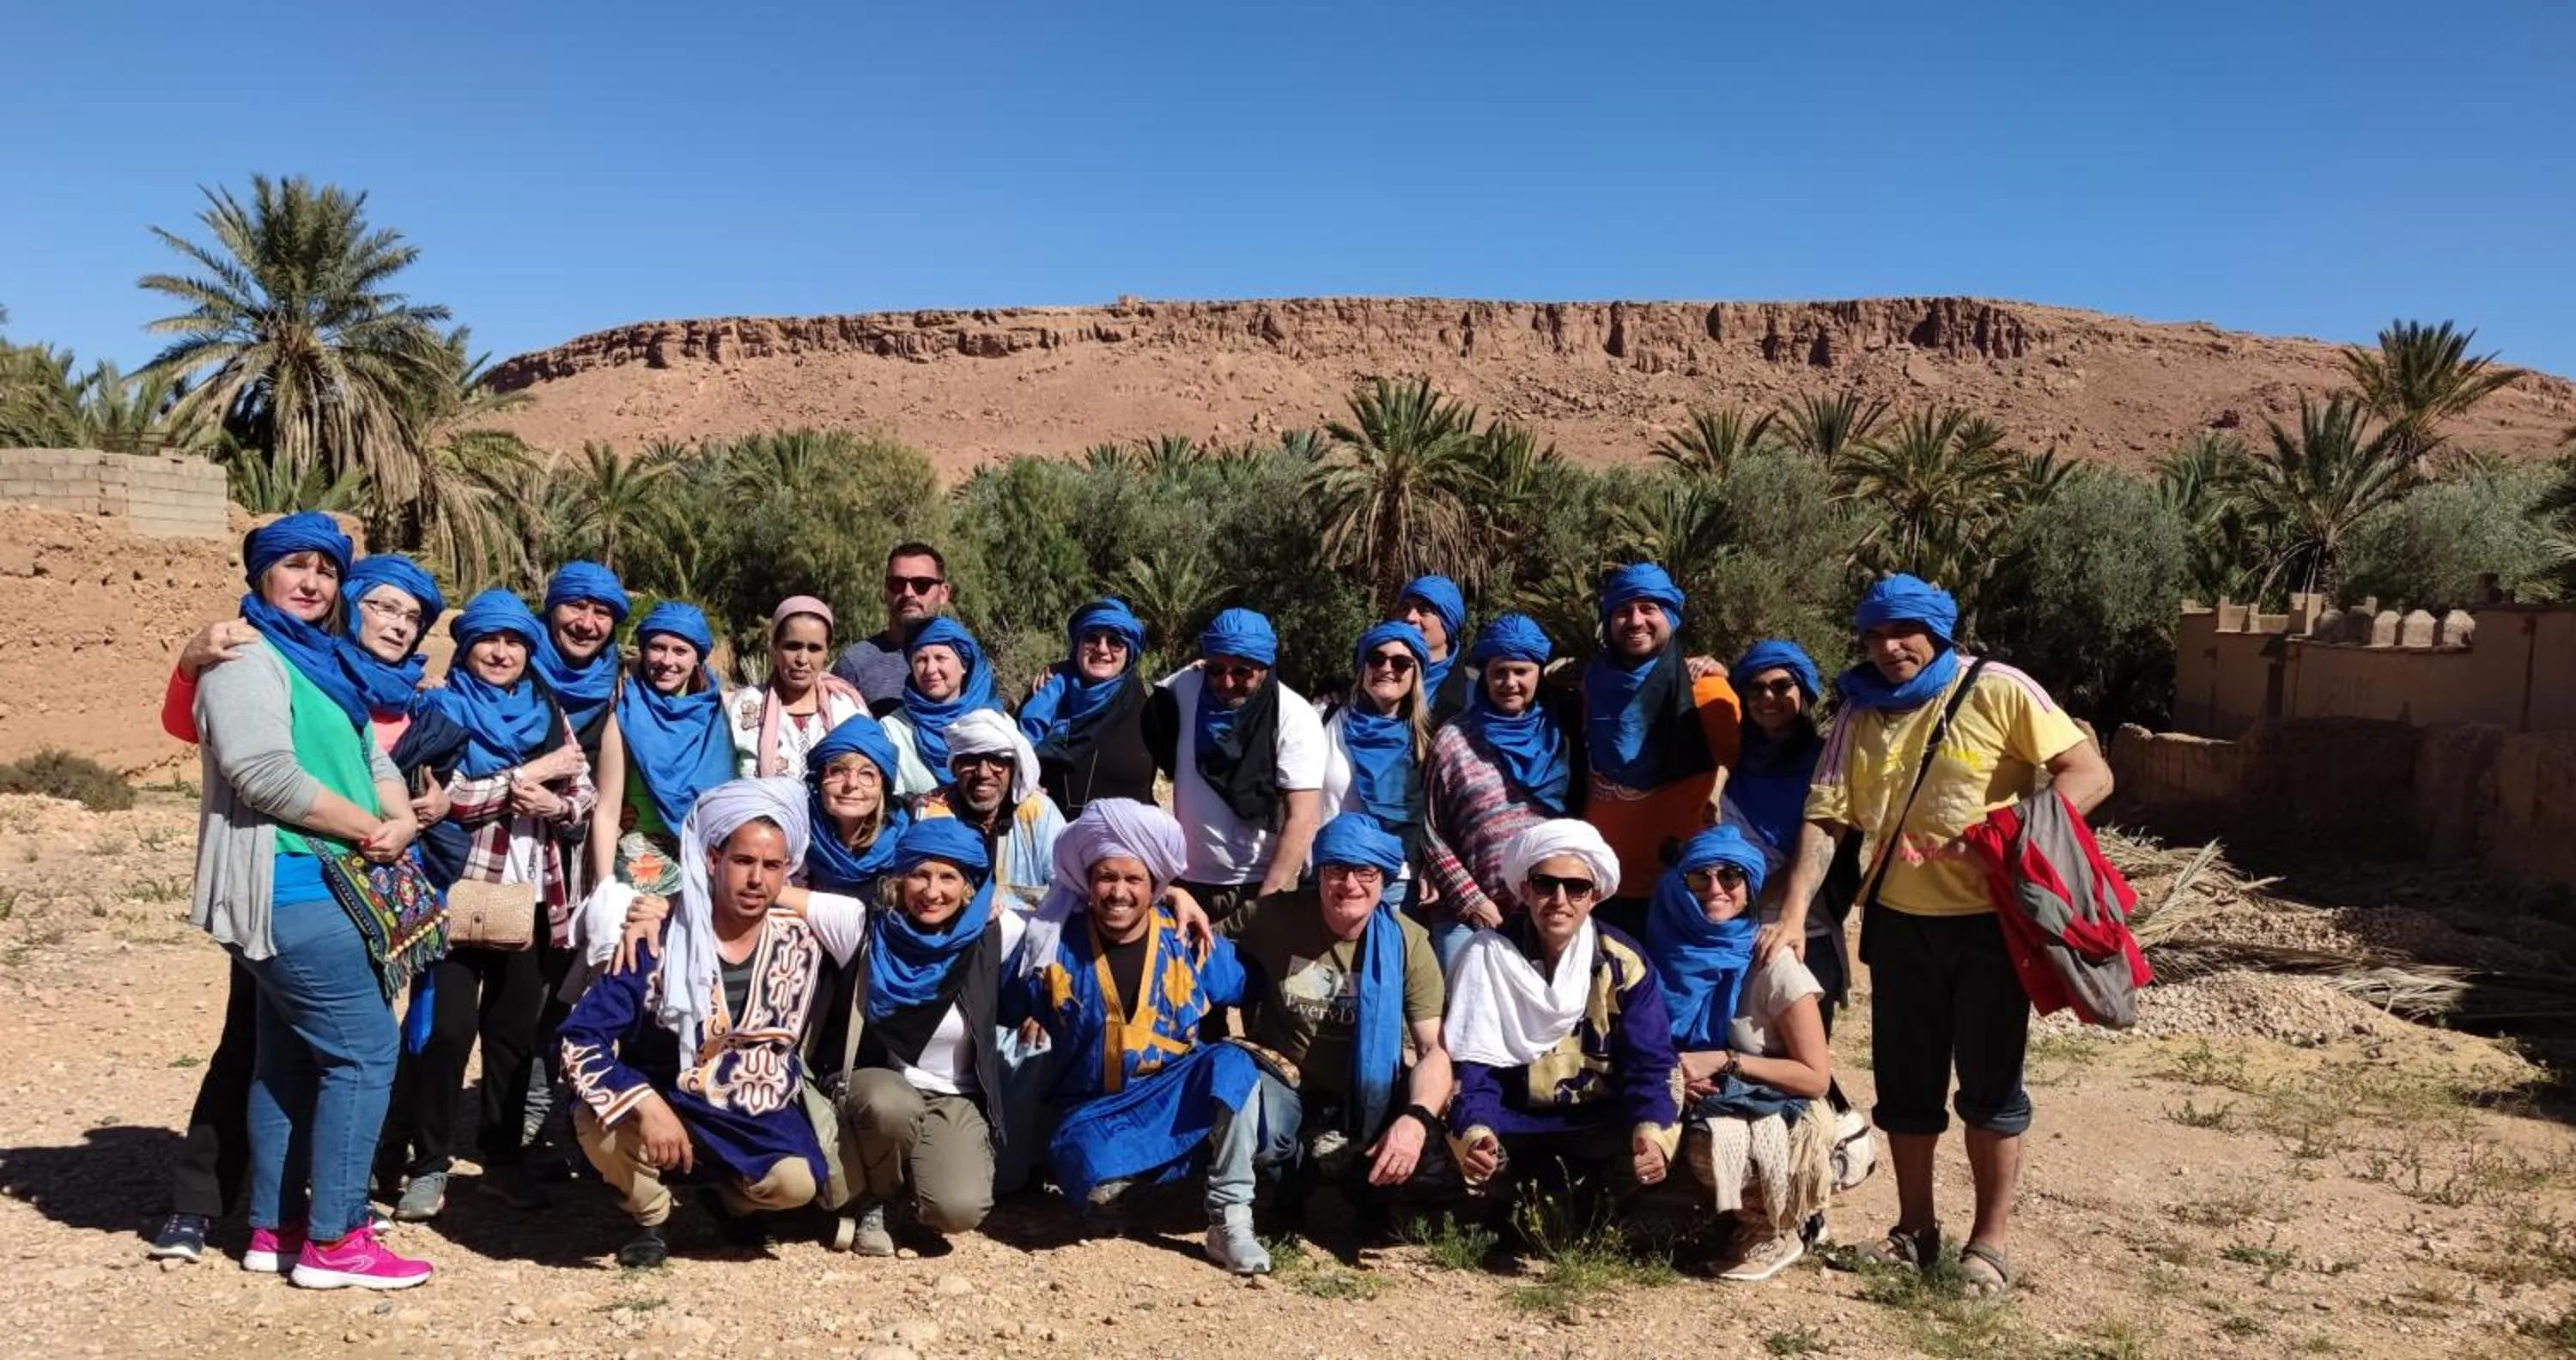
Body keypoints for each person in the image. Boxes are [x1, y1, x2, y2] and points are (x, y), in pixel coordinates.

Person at [1767, 574, 2114, 1298]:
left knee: (1991, 1088)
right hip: (1897, 925)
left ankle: (1989, 1246)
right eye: (1875, 635)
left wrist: (2021, 837)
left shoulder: (2000, 688)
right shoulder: (1859, 714)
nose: (1890, 648)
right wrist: (1795, 912)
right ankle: (1914, 1231)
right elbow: (1827, 818)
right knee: (1906, 1088)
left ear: (1937, 632)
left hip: (1991, 927)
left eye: (1904, 633)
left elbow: (2088, 772)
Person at [149, 553, 450, 1263]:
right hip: (295, 880)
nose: (311, 582)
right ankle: (336, 1238)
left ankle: (273, 1229)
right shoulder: (246, 656)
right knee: (365, 1053)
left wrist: (402, 817)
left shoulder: (327, 664)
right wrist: (371, 830)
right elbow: (262, 774)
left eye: (324, 571)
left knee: (284, 1059)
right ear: (261, 578)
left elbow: (370, 758)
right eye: (294, 567)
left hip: (340, 876)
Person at [562, 779, 871, 1266]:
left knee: (796, 1184)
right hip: (666, 1096)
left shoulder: (805, 939)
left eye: (772, 866)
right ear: (712, 860)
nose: (756, 880)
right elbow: (581, 1040)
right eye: (744, 862)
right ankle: (652, 1216)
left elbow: (869, 917)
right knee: (595, 1117)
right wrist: (645, 1104)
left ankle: (731, 1201)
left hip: (756, 1111)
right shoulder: (654, 939)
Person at [381, 590, 598, 1223]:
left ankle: (503, 1160)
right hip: (459, 892)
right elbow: (434, 799)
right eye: (488, 641)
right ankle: (427, 1162)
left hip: (532, 896)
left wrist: (557, 805)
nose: (501, 653)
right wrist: (529, 776)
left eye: (513, 643)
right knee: (445, 1031)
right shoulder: (441, 708)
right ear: (466, 645)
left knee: (511, 1037)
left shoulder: (544, 707)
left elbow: (579, 787)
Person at [1006, 802, 1269, 1275]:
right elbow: (1004, 1004)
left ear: (1155, 886)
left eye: (1134, 880)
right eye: (1107, 878)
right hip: (1093, 1116)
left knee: (1232, 1065)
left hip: (1169, 1102)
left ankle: (1230, 1219)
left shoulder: (1186, 937)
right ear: (1088, 882)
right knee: (1087, 1167)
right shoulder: (1052, 944)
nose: (1119, 892)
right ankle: (1145, 1186)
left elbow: (1247, 982)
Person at [1225, 814, 1454, 1234]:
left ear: (1384, 879)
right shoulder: (1275, 916)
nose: (1349, 885)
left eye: (1365, 872)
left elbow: (1433, 1050)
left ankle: (1372, 1199)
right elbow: (1196, 942)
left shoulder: (1408, 942)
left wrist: (1417, 1120)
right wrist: (1179, 905)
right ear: (1320, 872)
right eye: (1337, 870)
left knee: (1420, 1130)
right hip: (1285, 1075)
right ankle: (1290, 1194)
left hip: (1367, 1088)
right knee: (1262, 1127)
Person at [1446, 820, 1679, 1218]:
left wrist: (1652, 1135)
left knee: (1659, 1153)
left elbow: (1651, 1061)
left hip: (1600, 1124)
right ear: (1524, 889)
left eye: (1576, 888)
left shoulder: (1624, 963)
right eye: (1544, 884)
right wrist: (1477, 1130)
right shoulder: (1488, 957)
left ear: (1595, 896)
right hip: (1513, 1124)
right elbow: (1472, 1065)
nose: (1559, 899)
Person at [820, 819, 1024, 1255]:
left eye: (948, 877)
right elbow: (770, 893)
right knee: (892, 1104)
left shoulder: (997, 934)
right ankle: (878, 1199)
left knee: (957, 1209)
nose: (932, 892)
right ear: (899, 878)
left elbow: (1074, 913)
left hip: (954, 1097)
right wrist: (664, 906)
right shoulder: (863, 924)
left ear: (970, 885)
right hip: (876, 1086)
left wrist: (1174, 893)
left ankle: (915, 1190)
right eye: (920, 874)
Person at [1649, 826, 1832, 1284]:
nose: (1716, 889)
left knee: (1717, 1141)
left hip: (1773, 1106)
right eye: (1700, 878)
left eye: (1730, 877)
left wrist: (1726, 1060)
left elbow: (1816, 1078)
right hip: (1691, 1094)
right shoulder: (1663, 949)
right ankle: (1716, 1221)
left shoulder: (1773, 962)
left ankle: (1777, 1223)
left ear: (1749, 886)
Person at [1581, 563, 1741, 938]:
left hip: (1677, 888)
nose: (1635, 620)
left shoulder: (1707, 692)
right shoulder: (1596, 684)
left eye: (1648, 609)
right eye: (1622, 611)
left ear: (1670, 615)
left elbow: (1747, 772)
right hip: (1598, 885)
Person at [1143, 608, 1326, 931]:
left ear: (1265, 667)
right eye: (1216, 669)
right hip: (1188, 881)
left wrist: (1267, 904)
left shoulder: (1294, 717)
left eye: (1242, 672)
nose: (1226, 682)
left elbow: (1304, 817)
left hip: (1257, 883)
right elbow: (1132, 692)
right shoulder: (1187, 687)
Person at [1419, 613, 1582, 973]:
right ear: (1486, 675)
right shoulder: (1454, 739)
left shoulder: (1562, 735)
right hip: (1469, 917)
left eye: (1521, 672)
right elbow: (1432, 830)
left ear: (1538, 672)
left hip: (1547, 915)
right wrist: (1473, 901)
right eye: (1499, 672)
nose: (1510, 682)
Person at [1725, 639, 1858, 1034]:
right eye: (1755, 688)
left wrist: (1755, 896)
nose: (1768, 696)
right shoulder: (1731, 763)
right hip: (1736, 930)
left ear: (1804, 692)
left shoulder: (1830, 764)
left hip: (1806, 931)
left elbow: (1828, 844)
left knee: (1802, 1058)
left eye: (1781, 686)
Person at [590, 602, 736, 892]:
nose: (667, 661)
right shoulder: (626, 716)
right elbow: (606, 810)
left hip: (709, 854)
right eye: (657, 648)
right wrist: (604, 888)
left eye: (680, 651)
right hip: (642, 857)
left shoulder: (724, 712)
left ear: (698, 657)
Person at [1317, 622, 1432, 908]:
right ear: (1363, 666)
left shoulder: (1428, 739)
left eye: (1401, 662)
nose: (1386, 667)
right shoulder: (1325, 719)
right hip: (1329, 876)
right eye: (1376, 658)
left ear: (1415, 673)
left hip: (1397, 884)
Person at [912, 709, 1064, 914]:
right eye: (971, 760)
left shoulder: (1037, 812)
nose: (983, 773)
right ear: (955, 767)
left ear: (1012, 767)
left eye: (996, 761)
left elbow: (1066, 888)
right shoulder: (933, 812)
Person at [1015, 598, 1157, 816]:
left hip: (1124, 844)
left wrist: (1206, 669)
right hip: (1052, 840)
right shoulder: (1043, 695)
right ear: (1078, 645)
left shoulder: (1150, 708)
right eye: (1091, 638)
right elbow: (1010, 758)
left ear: (1129, 651)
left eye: (1115, 641)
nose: (1102, 649)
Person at [732, 596, 869, 780]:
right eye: (792, 646)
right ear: (775, 648)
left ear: (826, 653)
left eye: (814, 648)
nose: (802, 659)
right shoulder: (743, 706)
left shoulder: (848, 708)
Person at [881, 616, 1003, 798]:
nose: (930, 669)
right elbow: (891, 799)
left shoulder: (998, 722)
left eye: (940, 658)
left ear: (964, 665)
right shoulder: (894, 729)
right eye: (921, 660)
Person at [532, 561, 631, 773]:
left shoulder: (622, 688)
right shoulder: (510, 667)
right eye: (576, 606)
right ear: (551, 609)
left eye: (601, 613)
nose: (586, 624)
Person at [831, 542, 952, 710]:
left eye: (921, 584)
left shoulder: (963, 661)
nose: (908, 593)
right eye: (897, 584)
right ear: (885, 591)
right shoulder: (855, 665)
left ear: (943, 593)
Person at [801, 714, 911, 896]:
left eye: (866, 774)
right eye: (837, 771)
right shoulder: (797, 838)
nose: (852, 784)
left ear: (883, 784)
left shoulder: (906, 844)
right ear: (820, 778)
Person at [1394, 574, 1473, 727]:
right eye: (1405, 608)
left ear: (1449, 623)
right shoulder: (1373, 676)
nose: (1410, 617)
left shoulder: (1474, 695)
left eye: (1425, 610)